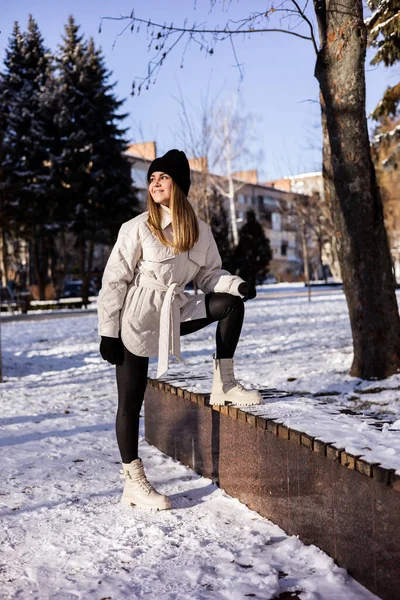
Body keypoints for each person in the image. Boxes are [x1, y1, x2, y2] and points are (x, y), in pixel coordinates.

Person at [98, 149, 262, 511]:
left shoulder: (200, 231)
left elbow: (208, 277)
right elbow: (114, 280)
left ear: (179, 185)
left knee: (230, 306)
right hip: (137, 318)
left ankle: (226, 383)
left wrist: (235, 285)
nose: (155, 182)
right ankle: (133, 482)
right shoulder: (137, 227)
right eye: (152, 178)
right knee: (130, 400)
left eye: (163, 177)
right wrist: (108, 330)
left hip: (177, 309)